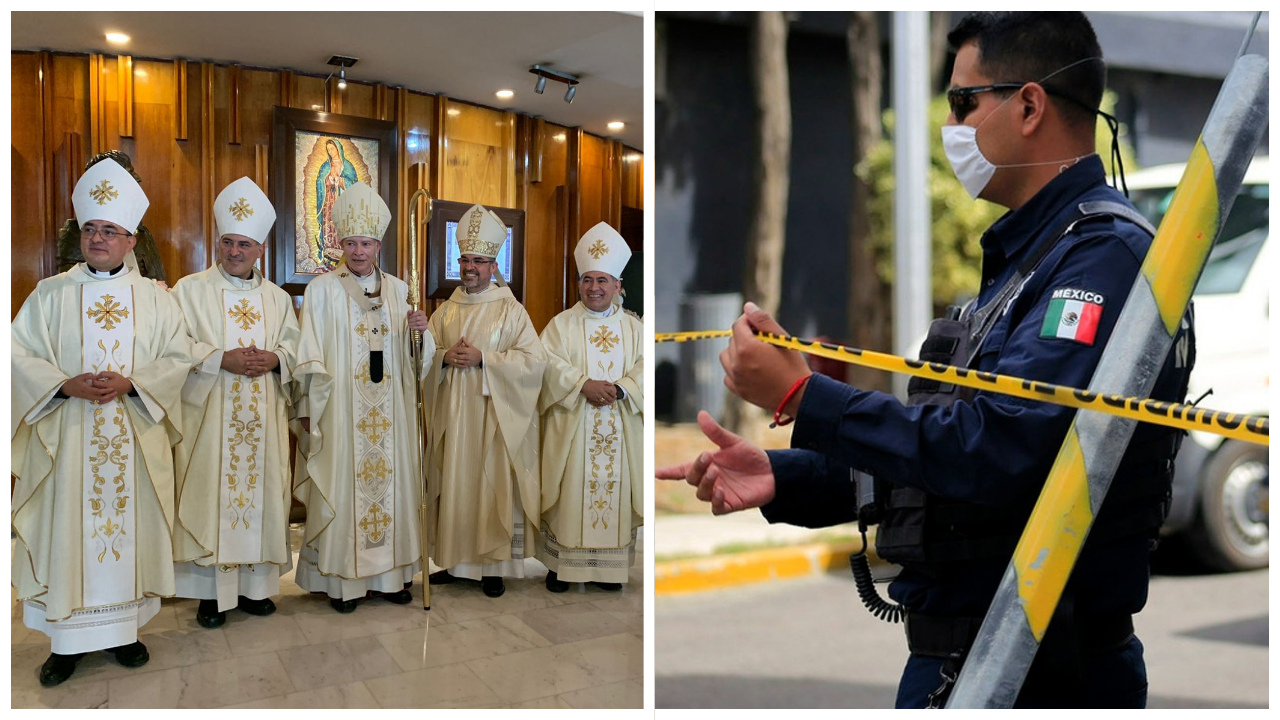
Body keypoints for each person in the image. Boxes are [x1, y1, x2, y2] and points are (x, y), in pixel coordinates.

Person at [657, 12, 1194, 709]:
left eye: (963, 101)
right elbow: (938, 456)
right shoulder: (1031, 258)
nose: (951, 125)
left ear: (1029, 105)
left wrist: (805, 398)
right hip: (979, 658)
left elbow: (1002, 450)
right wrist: (785, 476)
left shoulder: (1102, 257)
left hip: (1040, 670)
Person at [12, 158, 198, 686]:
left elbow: (177, 356)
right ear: (81, 235)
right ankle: (65, 642)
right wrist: (63, 384)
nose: (99, 237)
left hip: (132, 433)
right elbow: (17, 353)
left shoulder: (155, 299)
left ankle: (124, 633)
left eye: (110, 230)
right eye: (91, 228)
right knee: (69, 529)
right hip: (68, 438)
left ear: (130, 240)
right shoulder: (50, 293)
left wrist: (132, 383)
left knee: (126, 529)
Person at [292, 181, 433, 613]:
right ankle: (343, 585)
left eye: (366, 243)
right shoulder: (320, 291)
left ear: (378, 244)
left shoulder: (399, 290)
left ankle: (391, 578)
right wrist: (313, 408)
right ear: (339, 242)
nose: (358, 252)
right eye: (350, 243)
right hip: (341, 416)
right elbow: (308, 354)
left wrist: (420, 333)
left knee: (394, 491)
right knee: (344, 488)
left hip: (391, 416)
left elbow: (417, 362)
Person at [170, 177, 301, 628]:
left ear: (260, 249)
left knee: (262, 494)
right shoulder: (188, 291)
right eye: (227, 242)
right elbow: (170, 347)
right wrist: (217, 358)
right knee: (213, 496)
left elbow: (297, 349)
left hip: (262, 418)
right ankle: (212, 593)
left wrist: (276, 358)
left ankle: (256, 589)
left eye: (244, 244)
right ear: (218, 243)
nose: (234, 251)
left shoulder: (279, 300)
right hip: (209, 417)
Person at [423, 204, 546, 599]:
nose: (470, 267)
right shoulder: (445, 310)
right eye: (465, 259)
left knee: (489, 486)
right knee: (453, 481)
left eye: (479, 260)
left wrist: (486, 359)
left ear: (494, 266)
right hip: (452, 416)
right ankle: (454, 562)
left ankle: (492, 567)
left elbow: (533, 362)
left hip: (493, 418)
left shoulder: (512, 310)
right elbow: (424, 356)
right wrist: (443, 357)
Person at [536, 222, 644, 593]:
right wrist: (582, 384)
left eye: (602, 280)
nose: (594, 288)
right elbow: (545, 363)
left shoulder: (634, 329)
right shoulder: (560, 325)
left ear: (617, 285)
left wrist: (621, 387)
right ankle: (561, 566)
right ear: (578, 283)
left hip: (619, 426)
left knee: (613, 489)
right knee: (569, 489)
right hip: (572, 426)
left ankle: (609, 570)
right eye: (586, 280)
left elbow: (645, 367)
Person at [315, 138, 358, 269]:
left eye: (332, 149)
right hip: (329, 201)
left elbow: (354, 184)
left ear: (338, 149)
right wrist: (327, 180)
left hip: (343, 202)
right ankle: (329, 249)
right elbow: (319, 182)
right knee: (329, 223)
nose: (331, 152)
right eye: (328, 150)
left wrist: (340, 181)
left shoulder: (348, 166)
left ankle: (342, 250)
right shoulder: (325, 166)